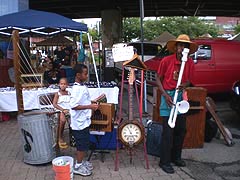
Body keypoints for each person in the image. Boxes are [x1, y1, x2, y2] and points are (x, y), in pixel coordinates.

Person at [156, 34, 198, 174]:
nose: (182, 48)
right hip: (168, 97)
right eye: (180, 45)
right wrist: (165, 95)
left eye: (184, 46)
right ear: (175, 47)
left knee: (180, 130)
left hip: (181, 98)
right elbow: (158, 78)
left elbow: (190, 81)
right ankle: (164, 161)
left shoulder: (190, 63)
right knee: (168, 132)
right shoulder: (167, 60)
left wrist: (185, 84)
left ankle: (176, 157)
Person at [69, 64, 99, 176]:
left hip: (84, 121)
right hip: (79, 123)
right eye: (85, 74)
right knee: (81, 146)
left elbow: (83, 101)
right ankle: (77, 165)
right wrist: (90, 106)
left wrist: (91, 101)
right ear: (78, 75)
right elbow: (74, 105)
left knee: (85, 144)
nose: (87, 76)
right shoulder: (77, 89)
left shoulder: (81, 87)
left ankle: (81, 162)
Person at [53, 77, 71, 149]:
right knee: (62, 120)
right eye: (61, 84)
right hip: (61, 109)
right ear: (59, 85)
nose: (63, 85)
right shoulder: (58, 94)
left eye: (64, 84)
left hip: (69, 109)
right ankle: (60, 137)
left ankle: (72, 136)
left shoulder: (69, 93)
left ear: (67, 85)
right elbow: (54, 104)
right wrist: (62, 109)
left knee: (72, 121)